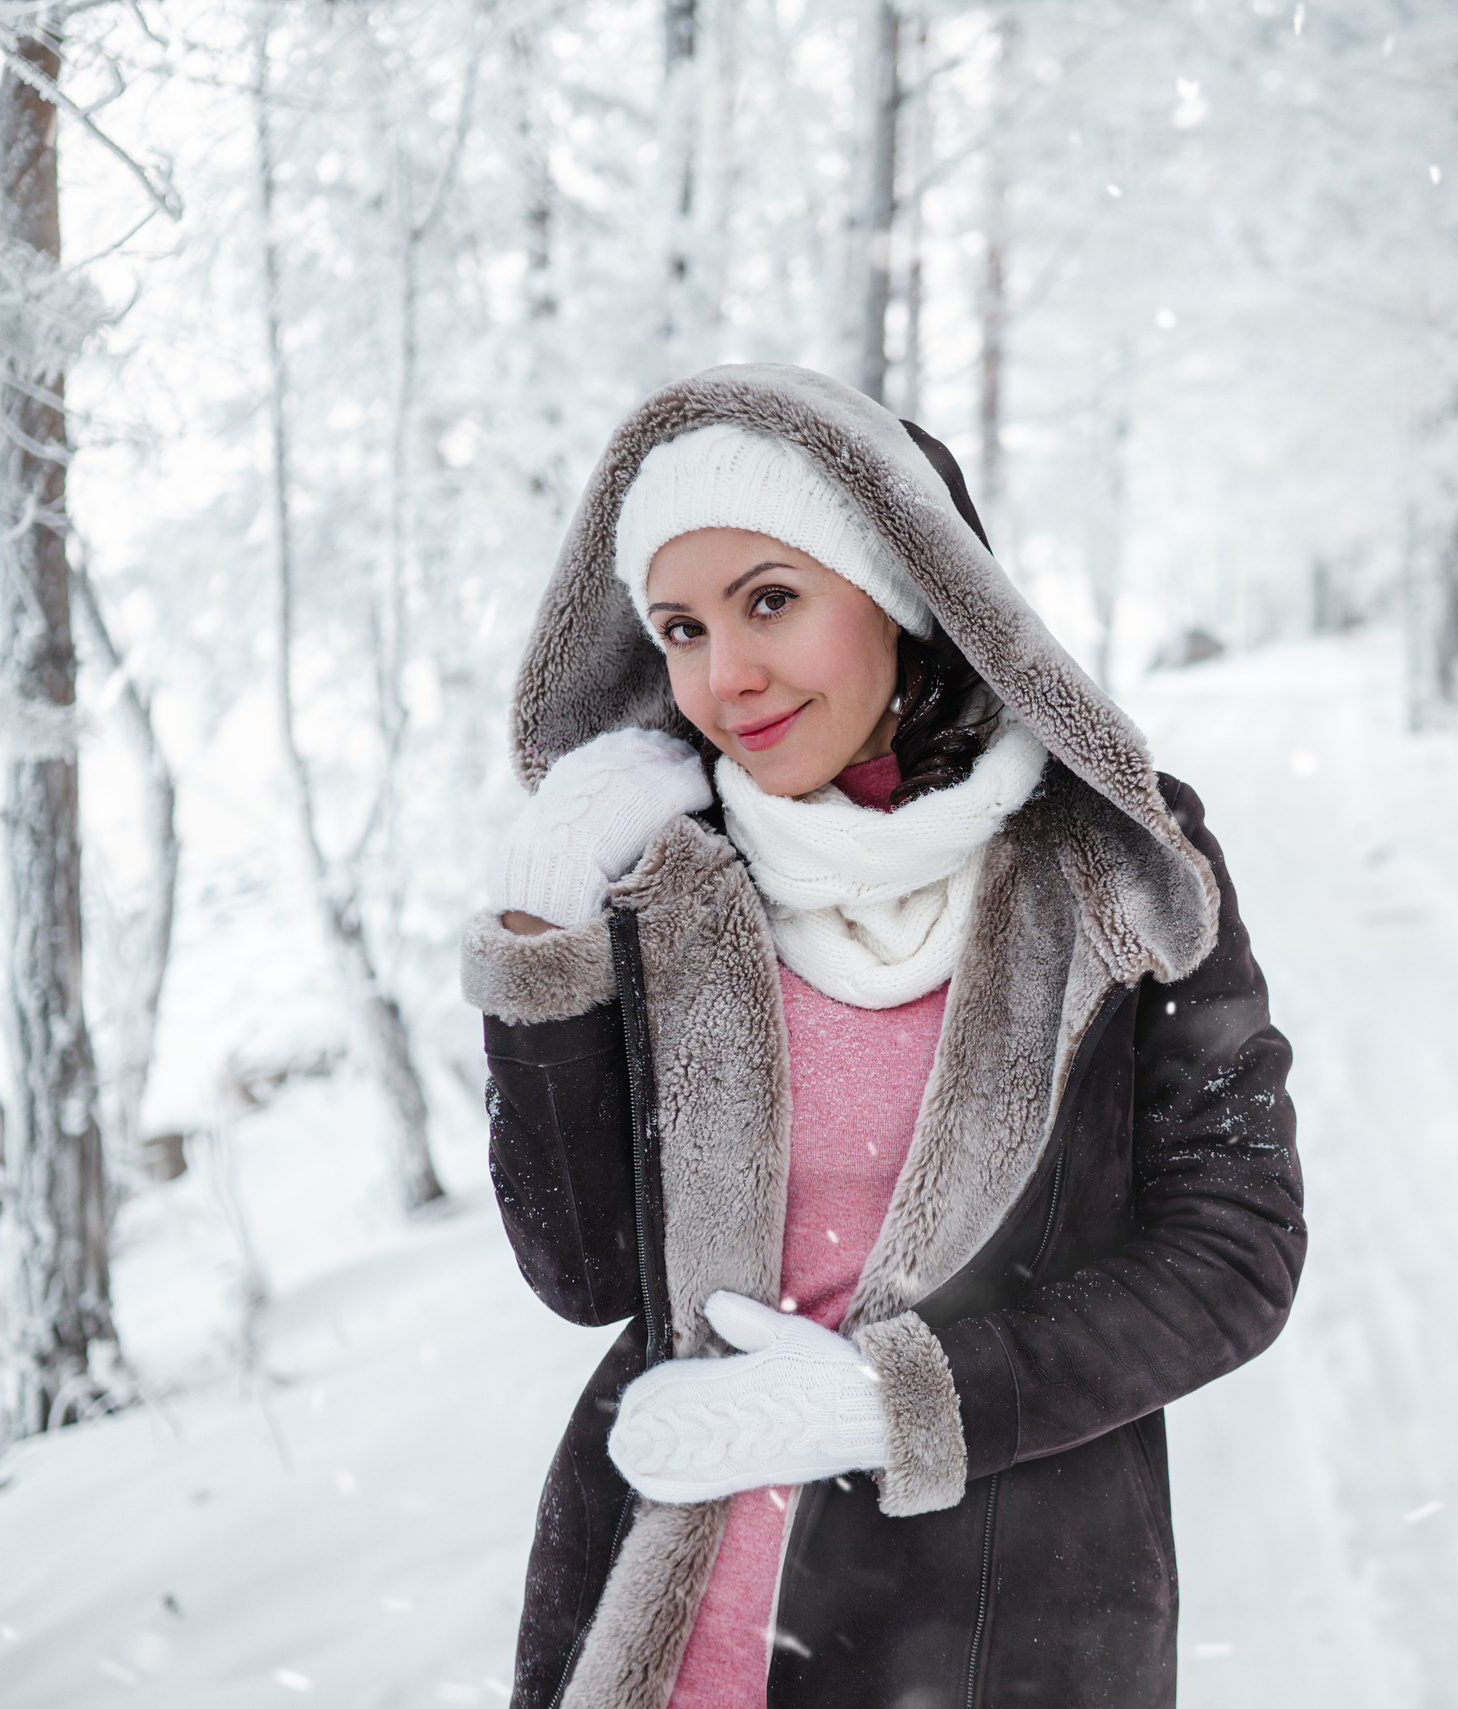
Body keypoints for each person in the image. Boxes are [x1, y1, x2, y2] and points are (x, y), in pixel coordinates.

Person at [460, 363, 1303, 1709]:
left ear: (905, 593)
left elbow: (1235, 1256)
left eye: (770, 601)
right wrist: (545, 923)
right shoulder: (669, 877)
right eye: (677, 628)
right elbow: (583, 1268)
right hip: (669, 1639)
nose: (723, 677)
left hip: (990, 1638)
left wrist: (893, 1402)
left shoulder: (1114, 864)